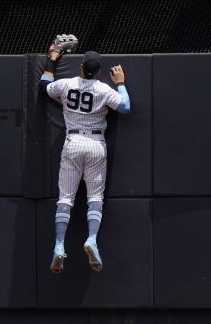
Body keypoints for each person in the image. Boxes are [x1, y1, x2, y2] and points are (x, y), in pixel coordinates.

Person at [40, 47, 131, 273]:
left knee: (65, 199)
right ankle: (91, 239)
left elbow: (44, 86)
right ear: (99, 71)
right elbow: (126, 107)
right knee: (95, 198)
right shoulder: (102, 89)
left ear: (81, 67)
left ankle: (59, 245)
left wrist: (52, 61)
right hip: (95, 144)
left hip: (73, 143)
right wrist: (120, 82)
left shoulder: (66, 84)